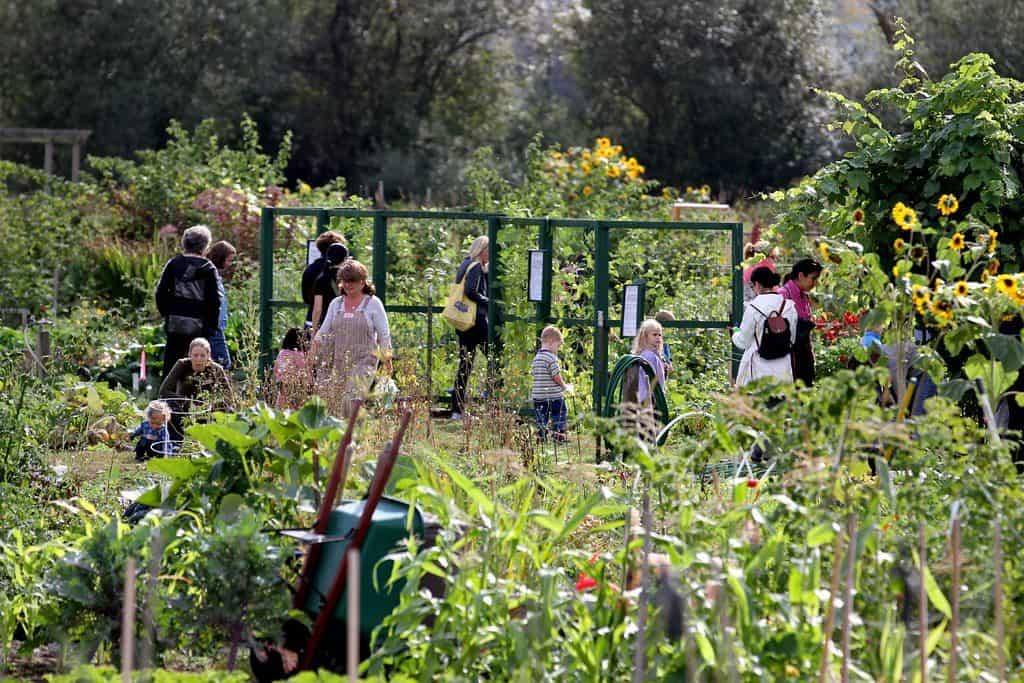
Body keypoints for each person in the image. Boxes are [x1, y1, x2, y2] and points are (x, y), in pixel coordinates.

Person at [312, 259, 392, 416]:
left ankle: (351, 434)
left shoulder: (373, 304)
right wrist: (312, 352)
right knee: (336, 404)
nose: (348, 285)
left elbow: (384, 334)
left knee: (352, 398)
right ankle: (343, 437)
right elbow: (324, 330)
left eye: (353, 281)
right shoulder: (336, 304)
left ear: (363, 282)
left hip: (365, 361)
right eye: (345, 281)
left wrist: (387, 360)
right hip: (339, 361)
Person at [155, 225, 222, 379]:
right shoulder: (209, 268)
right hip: (199, 325)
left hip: (175, 322)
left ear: (184, 243)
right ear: (205, 246)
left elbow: (161, 293)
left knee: (172, 363)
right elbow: (214, 301)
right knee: (199, 365)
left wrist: (167, 313)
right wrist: (211, 327)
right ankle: (196, 398)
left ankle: (168, 398)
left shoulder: (174, 264)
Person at [732, 267, 798, 387]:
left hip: (758, 371)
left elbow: (743, 342)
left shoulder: (753, 307)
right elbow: (791, 339)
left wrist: (736, 332)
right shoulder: (789, 306)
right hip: (783, 372)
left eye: (752, 286)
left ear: (757, 284)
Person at [159, 337, 235, 440]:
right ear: (190, 355)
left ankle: (220, 440)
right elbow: (164, 391)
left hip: (207, 410)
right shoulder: (182, 365)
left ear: (208, 356)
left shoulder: (216, 369)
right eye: (195, 355)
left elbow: (229, 396)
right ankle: (176, 441)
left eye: (202, 355)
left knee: (230, 410)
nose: (198, 359)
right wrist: (186, 401)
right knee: (166, 405)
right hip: (183, 409)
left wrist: (212, 406)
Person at [451, 236, 490, 420]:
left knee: (465, 364)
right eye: (489, 250)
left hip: (464, 322)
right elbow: (470, 291)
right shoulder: (475, 267)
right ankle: (490, 399)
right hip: (476, 321)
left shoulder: (465, 264)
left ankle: (456, 409)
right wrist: (489, 302)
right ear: (482, 250)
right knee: (494, 358)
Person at [780, 258, 823, 387]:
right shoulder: (783, 295)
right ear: (800, 275)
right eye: (813, 278)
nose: (815, 283)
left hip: (803, 353)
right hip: (789, 355)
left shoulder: (804, 297)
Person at [531, 326, 572, 442]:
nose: (557, 349)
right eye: (557, 346)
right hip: (553, 396)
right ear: (551, 342)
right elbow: (556, 376)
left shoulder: (536, 358)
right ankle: (559, 435)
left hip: (538, 396)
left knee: (541, 418)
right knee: (559, 413)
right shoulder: (551, 358)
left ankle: (541, 436)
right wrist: (564, 386)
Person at [302, 231, 347, 328]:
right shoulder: (344, 272)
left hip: (312, 320)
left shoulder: (310, 269)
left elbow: (306, 298)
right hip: (337, 320)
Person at [205, 240, 237, 370]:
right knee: (223, 364)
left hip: (216, 326)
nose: (229, 264)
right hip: (214, 327)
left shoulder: (213, 272)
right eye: (228, 260)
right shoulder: (209, 272)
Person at [309, 243, 349, 330]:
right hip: (348, 323)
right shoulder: (349, 278)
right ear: (345, 259)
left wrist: (314, 330)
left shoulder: (321, 279)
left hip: (327, 324)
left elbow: (317, 309)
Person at [274, 327, 308, 409]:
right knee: (293, 404)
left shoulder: (282, 352)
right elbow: (303, 369)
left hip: (281, 381)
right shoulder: (299, 354)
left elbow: (276, 369)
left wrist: (279, 377)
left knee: (281, 399)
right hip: (294, 383)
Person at [633, 319, 666, 405]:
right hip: (649, 400)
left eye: (660, 335)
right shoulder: (649, 356)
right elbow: (651, 379)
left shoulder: (648, 354)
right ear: (645, 336)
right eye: (654, 334)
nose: (658, 337)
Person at [654, 309, 675, 375]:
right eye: (670, 327)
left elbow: (667, 353)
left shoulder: (665, 340)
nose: (671, 330)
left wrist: (669, 363)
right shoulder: (655, 338)